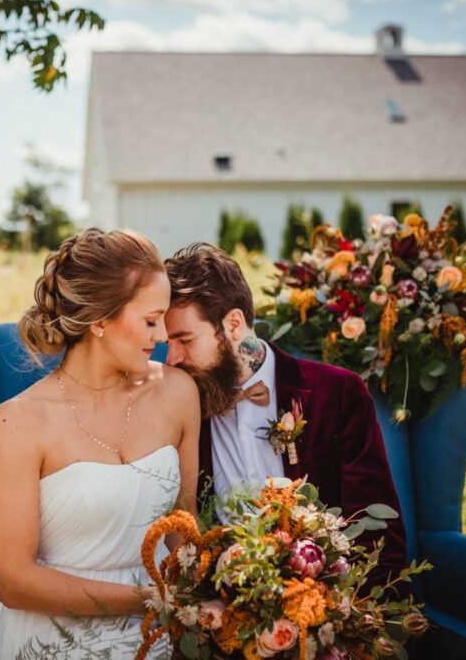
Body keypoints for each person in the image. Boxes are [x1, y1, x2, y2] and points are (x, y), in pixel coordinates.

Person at [0, 228, 200, 659]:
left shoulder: (177, 394)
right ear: (99, 319)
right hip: (48, 634)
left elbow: (185, 529)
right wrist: (150, 600)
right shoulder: (17, 422)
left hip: (158, 632)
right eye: (150, 320)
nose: (162, 338)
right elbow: (14, 583)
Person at [162, 242, 409, 588]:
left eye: (184, 340)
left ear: (234, 324)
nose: (171, 358)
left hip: (331, 605)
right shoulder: (178, 405)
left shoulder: (337, 394)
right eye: (167, 342)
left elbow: (378, 534)